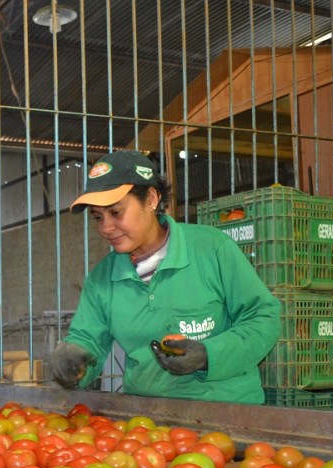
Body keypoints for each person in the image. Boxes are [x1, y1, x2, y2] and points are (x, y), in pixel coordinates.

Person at [51, 150, 280, 404]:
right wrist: (73, 362)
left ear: (150, 199)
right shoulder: (102, 280)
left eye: (116, 212)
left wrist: (208, 355)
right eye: (97, 217)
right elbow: (87, 342)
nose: (105, 228)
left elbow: (264, 319)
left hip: (229, 412)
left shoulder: (212, 249)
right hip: (148, 423)